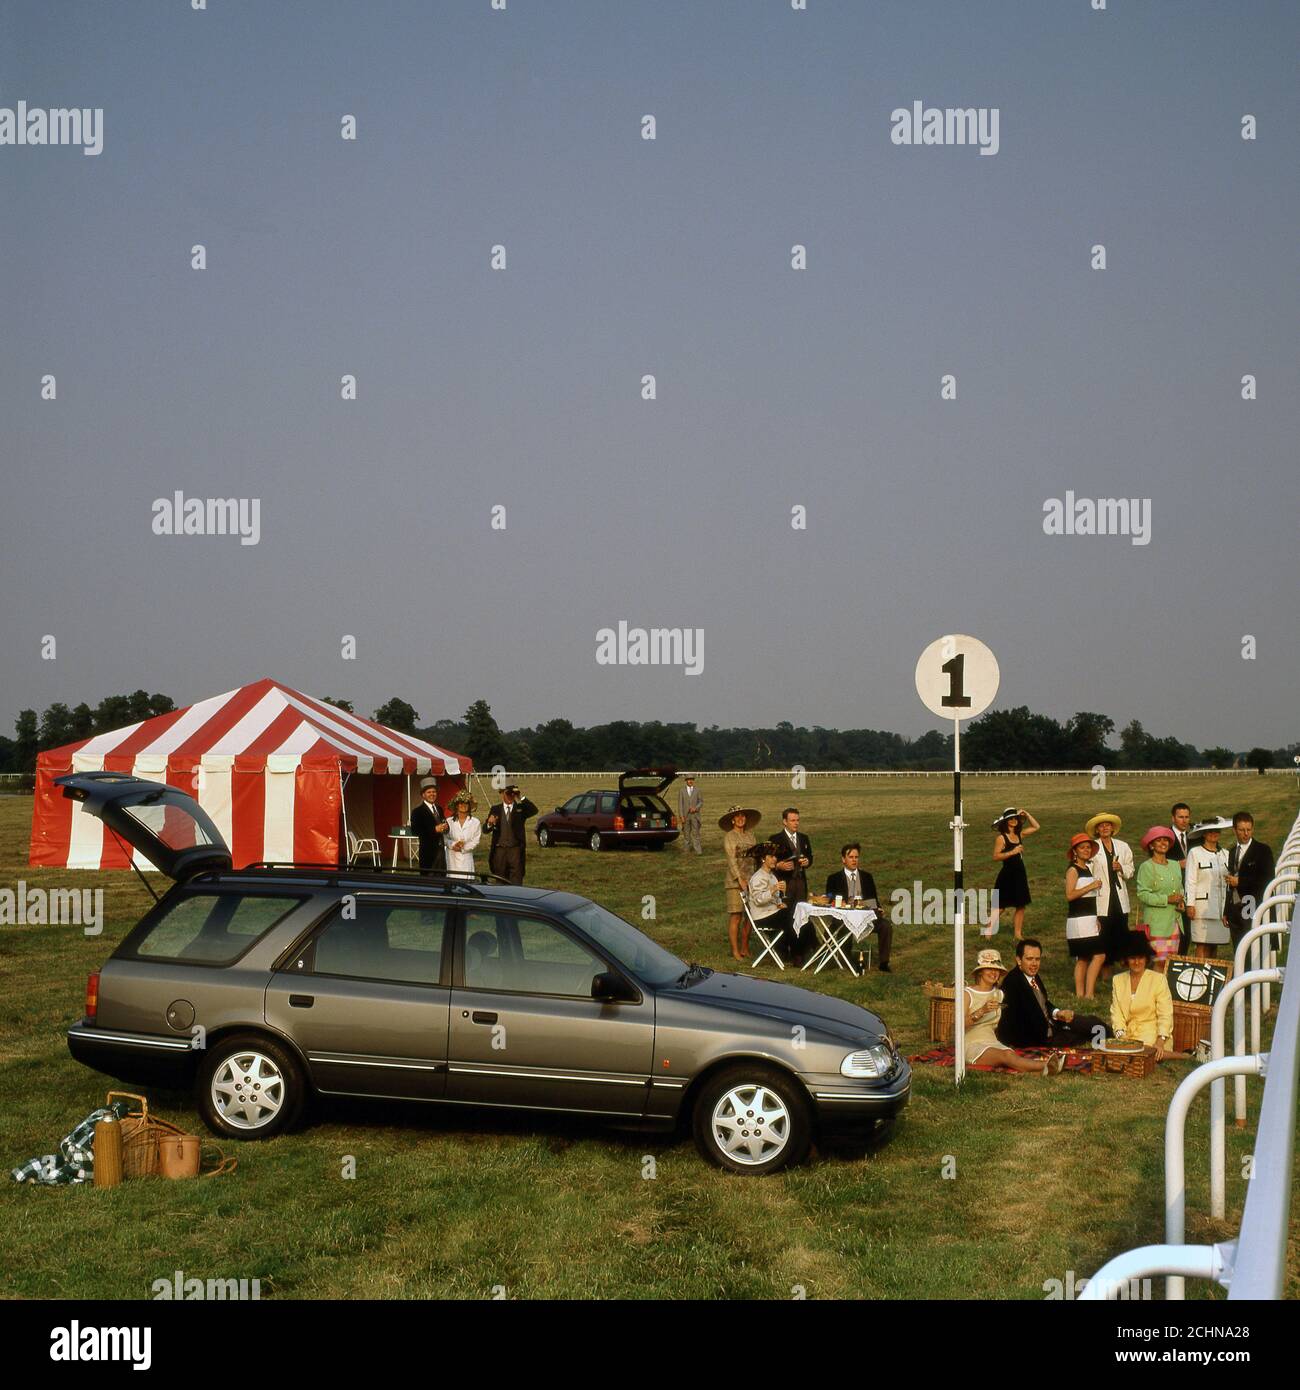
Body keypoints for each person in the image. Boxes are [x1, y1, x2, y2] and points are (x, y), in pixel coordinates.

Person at [963, 949, 1065, 1075]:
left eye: (997, 970)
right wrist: (981, 1011)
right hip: (970, 1044)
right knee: (1006, 1055)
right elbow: (957, 1027)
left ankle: (1041, 1072)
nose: (994, 973)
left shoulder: (999, 995)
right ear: (980, 971)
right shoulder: (967, 994)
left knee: (1010, 1055)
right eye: (989, 968)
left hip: (992, 1041)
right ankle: (1046, 1065)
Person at [996, 938, 1110, 1049]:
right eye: (1030, 959)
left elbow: (1043, 1002)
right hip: (1038, 1038)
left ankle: (1114, 1035)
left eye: (1037, 959)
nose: (1034, 963)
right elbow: (1013, 1020)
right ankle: (1112, 1038)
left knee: (1093, 1024)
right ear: (1019, 960)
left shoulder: (1031, 975)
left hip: (1053, 1024)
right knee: (1087, 1033)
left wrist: (1057, 1013)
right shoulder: (1012, 983)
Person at [825, 841, 893, 972]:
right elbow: (830, 899)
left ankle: (884, 962)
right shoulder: (833, 878)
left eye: (856, 857)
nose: (854, 860)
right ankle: (847, 960)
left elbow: (873, 900)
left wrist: (877, 907)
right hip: (844, 918)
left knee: (886, 926)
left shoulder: (867, 877)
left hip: (865, 917)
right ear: (843, 859)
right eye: (851, 857)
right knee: (843, 928)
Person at [1110, 932, 1174, 1060]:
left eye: (1140, 958)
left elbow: (1165, 1014)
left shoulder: (1159, 979)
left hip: (1153, 1035)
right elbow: (1116, 1014)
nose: (1137, 962)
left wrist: (1160, 1041)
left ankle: (1182, 1056)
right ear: (1126, 960)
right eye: (1133, 958)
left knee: (1146, 1053)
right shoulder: (1118, 980)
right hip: (1128, 1037)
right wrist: (1121, 1038)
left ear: (1146, 959)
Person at [1085, 812, 1135, 978]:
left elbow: (1131, 871)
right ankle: (1105, 974)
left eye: (1108, 825)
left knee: (1120, 934)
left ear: (1113, 828)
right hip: (1101, 899)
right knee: (1103, 936)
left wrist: (1121, 868)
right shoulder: (1091, 847)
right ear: (1097, 830)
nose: (1105, 827)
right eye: (1101, 825)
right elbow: (1087, 873)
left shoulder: (1123, 846)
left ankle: (1120, 971)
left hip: (1119, 899)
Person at [985, 807, 1040, 939]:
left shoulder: (1019, 835)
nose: (1014, 821)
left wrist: (1027, 813)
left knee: (1021, 905)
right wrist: (1013, 852)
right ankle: (988, 930)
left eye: (1016, 818)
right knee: (1001, 906)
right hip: (1007, 875)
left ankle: (1018, 934)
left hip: (1020, 874)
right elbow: (996, 856)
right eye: (1011, 819)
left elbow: (1036, 827)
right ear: (1006, 821)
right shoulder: (1001, 838)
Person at [1135, 826, 1184, 969]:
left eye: (1166, 840)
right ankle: (1156, 990)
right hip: (1157, 924)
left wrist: (1182, 901)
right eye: (1159, 841)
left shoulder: (1175, 865)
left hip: (1174, 922)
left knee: (1171, 962)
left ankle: (1165, 990)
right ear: (1151, 845)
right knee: (1159, 962)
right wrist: (1166, 899)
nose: (1163, 843)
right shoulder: (1147, 867)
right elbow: (1143, 894)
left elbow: (1180, 887)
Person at [1226, 811, 1275, 955]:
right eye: (1241, 830)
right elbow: (1230, 883)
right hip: (1234, 909)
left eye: (1249, 829)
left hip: (1253, 906)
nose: (1246, 833)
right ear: (1234, 830)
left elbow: (1268, 879)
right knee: (1238, 950)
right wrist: (1226, 910)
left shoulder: (1263, 850)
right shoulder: (1232, 851)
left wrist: (1240, 882)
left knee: (1253, 950)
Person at [1064, 832, 1105, 999]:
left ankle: (1082, 994)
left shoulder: (1086, 868)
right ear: (1075, 851)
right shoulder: (1073, 870)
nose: (1086, 850)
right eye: (1082, 847)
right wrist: (1091, 886)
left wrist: (1095, 917)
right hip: (1078, 920)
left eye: (1088, 847)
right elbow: (1069, 895)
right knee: (1096, 955)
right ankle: (1088, 994)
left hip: (1088, 918)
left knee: (1084, 957)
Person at [1186, 816, 1231, 960]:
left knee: (1214, 944)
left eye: (1216, 830)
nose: (1214, 833)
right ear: (1203, 833)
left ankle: (1211, 978)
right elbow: (1190, 880)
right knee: (1202, 944)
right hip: (1202, 907)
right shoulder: (1195, 853)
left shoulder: (1226, 854)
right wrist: (1190, 904)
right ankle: (1200, 975)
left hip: (1220, 908)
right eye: (1210, 831)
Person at [721, 805, 760, 961]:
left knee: (750, 916)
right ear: (732, 820)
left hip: (751, 881)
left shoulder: (751, 836)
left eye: (743, 816)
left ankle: (745, 947)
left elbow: (756, 858)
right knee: (736, 916)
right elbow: (731, 860)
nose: (740, 818)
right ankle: (735, 951)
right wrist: (740, 879)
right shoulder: (729, 837)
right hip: (734, 883)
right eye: (737, 816)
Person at [484, 784, 538, 885]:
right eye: (508, 793)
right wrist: (489, 823)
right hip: (500, 850)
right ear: (502, 794)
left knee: (516, 879)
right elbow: (485, 830)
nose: (510, 796)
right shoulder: (495, 809)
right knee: (500, 879)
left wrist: (520, 796)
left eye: (512, 794)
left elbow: (534, 810)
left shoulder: (520, 809)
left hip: (515, 850)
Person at [744, 842, 791, 958]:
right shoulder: (758, 877)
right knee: (792, 917)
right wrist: (773, 889)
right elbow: (758, 900)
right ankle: (796, 951)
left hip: (771, 913)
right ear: (763, 859)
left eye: (775, 856)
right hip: (762, 917)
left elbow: (775, 899)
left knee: (795, 914)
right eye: (771, 857)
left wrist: (780, 903)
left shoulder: (772, 875)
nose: (774, 859)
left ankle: (793, 951)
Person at [772, 807, 812, 906]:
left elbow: (810, 856)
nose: (796, 823)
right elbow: (768, 862)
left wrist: (808, 861)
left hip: (801, 882)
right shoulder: (775, 839)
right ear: (785, 822)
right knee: (786, 913)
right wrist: (778, 866)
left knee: (801, 911)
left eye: (797, 820)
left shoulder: (804, 838)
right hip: (784, 883)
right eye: (793, 820)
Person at [410, 778, 449, 874]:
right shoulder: (417, 812)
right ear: (423, 795)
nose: (432, 794)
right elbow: (415, 831)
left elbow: (443, 822)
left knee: (442, 879)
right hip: (428, 852)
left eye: (434, 792)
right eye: (429, 792)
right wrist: (434, 830)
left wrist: (446, 827)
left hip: (441, 851)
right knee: (429, 880)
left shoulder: (439, 809)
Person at [1169, 802, 1193, 953]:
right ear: (1173, 818)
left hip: (1190, 891)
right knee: (1173, 935)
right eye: (1180, 817)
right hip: (1172, 892)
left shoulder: (1194, 837)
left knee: (1187, 934)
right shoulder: (1165, 838)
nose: (1184, 820)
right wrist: (1178, 864)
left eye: (1187, 817)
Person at [443, 791, 482, 878]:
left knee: (466, 882)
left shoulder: (475, 822)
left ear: (469, 806)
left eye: (466, 803)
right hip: (451, 857)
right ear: (457, 805)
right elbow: (444, 838)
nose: (463, 805)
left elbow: (475, 841)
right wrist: (453, 845)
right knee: (452, 881)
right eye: (461, 803)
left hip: (466, 858)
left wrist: (463, 848)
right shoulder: (449, 821)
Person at [677, 774, 704, 854]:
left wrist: (696, 808)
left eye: (692, 779)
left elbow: (701, 802)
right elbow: (680, 805)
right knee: (686, 834)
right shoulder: (682, 791)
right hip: (685, 816)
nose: (690, 781)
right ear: (686, 781)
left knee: (696, 833)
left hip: (695, 815)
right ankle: (686, 850)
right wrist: (681, 816)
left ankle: (698, 851)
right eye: (688, 779)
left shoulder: (697, 790)